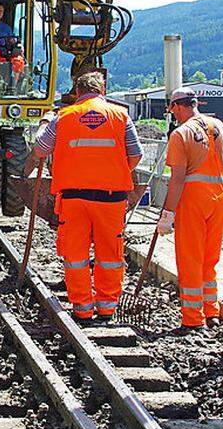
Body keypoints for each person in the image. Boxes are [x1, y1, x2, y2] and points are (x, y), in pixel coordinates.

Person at [27, 71, 142, 322]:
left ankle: (82, 309)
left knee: (75, 255)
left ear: (77, 93)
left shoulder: (64, 117)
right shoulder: (121, 116)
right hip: (111, 199)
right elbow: (136, 154)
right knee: (110, 254)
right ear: (102, 91)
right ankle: (107, 308)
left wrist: (45, 123)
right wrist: (115, 171)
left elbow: (40, 149)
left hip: (74, 198)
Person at [156, 88, 223, 330]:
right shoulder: (219, 126)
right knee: (210, 258)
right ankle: (212, 312)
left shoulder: (180, 134)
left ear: (178, 106)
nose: (173, 114)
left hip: (193, 199)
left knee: (191, 258)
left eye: (172, 109)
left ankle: (193, 318)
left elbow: (177, 178)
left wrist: (167, 214)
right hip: (220, 195)